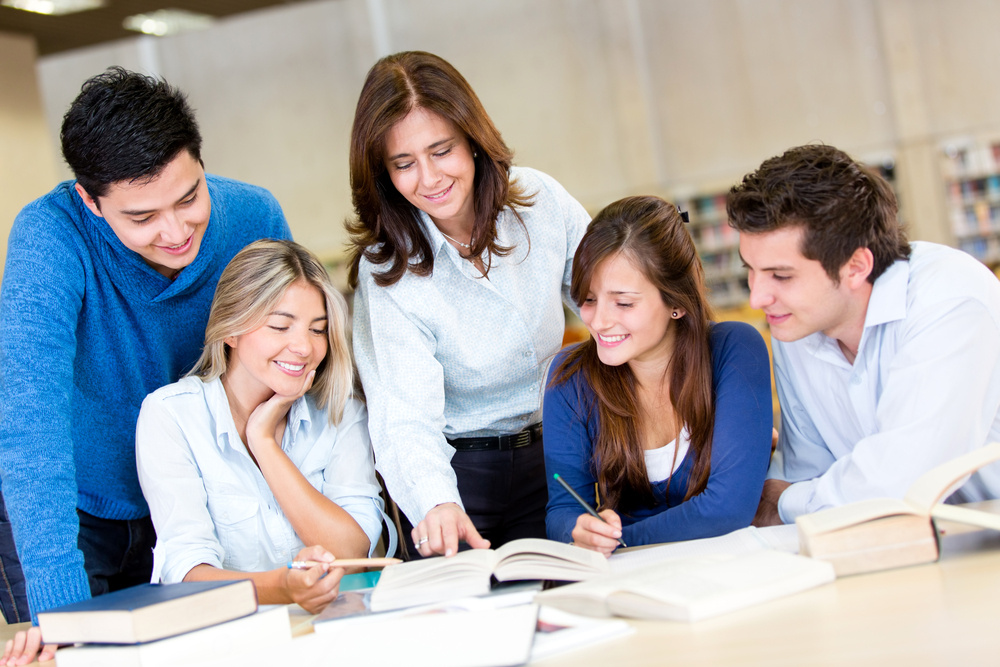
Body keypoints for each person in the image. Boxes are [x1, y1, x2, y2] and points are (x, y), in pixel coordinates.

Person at [0, 67, 290, 664]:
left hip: (189, 498)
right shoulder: (50, 239)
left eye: (189, 198)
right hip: (69, 505)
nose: (176, 230)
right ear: (91, 200)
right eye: (142, 218)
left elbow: (301, 365)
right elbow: (31, 428)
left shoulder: (253, 218)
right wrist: (66, 621)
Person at [347, 51, 590, 558]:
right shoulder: (386, 270)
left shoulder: (539, 201)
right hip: (458, 477)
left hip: (558, 452)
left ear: (473, 141)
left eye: (442, 151)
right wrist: (435, 502)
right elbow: (402, 415)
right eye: (404, 164)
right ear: (382, 173)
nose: (430, 178)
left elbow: (615, 305)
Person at [729, 144, 1000, 526]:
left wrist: (788, 501)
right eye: (751, 270)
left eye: (782, 276)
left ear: (855, 266)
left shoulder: (950, 298)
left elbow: (906, 481)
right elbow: (807, 472)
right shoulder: (797, 324)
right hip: (898, 542)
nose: (758, 297)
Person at [136, 239, 394, 614]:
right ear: (231, 330)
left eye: (318, 329)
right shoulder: (172, 416)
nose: (304, 347)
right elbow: (187, 573)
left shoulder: (341, 413)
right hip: (235, 640)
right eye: (280, 326)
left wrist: (264, 443)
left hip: (338, 630)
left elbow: (351, 555)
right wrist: (282, 587)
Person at [544, 196, 773, 554]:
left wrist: (621, 541)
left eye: (623, 302)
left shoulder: (734, 349)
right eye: (588, 299)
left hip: (731, 570)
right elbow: (563, 509)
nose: (599, 321)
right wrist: (580, 531)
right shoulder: (571, 375)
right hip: (634, 583)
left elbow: (727, 511)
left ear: (676, 302)